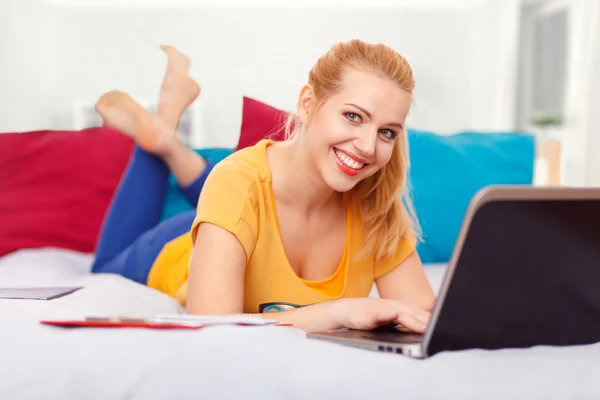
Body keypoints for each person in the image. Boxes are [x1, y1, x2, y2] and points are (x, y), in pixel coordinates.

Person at [94, 40, 436, 334]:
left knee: (240, 188)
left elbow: (426, 317)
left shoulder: (375, 207)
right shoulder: (238, 182)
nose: (367, 146)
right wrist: (339, 312)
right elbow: (211, 326)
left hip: (242, 216)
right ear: (307, 103)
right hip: (176, 249)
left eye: (387, 132)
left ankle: (165, 135)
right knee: (104, 267)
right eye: (353, 116)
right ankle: (160, 140)